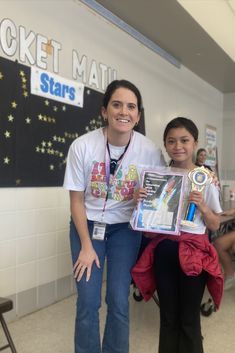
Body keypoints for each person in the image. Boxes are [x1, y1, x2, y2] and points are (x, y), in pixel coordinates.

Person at [63, 79, 165, 353]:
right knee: (88, 300)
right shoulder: (82, 146)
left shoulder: (150, 150)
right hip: (87, 227)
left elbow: (161, 195)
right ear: (104, 111)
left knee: (119, 299)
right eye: (117, 104)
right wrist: (85, 245)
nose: (124, 111)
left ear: (138, 115)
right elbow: (76, 201)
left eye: (131, 106)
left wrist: (140, 200)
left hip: (125, 230)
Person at [132, 117, 223, 353]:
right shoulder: (158, 177)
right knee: (168, 317)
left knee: (189, 319)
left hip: (194, 255)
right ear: (165, 145)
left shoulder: (207, 179)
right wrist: (141, 204)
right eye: (171, 141)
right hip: (164, 252)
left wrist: (203, 207)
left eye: (184, 140)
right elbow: (150, 232)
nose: (178, 146)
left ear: (195, 143)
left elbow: (214, 224)